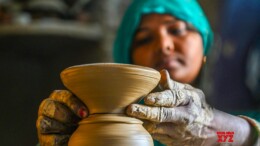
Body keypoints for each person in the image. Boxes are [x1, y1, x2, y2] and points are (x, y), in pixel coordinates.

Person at [36, 0, 260, 146]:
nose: (164, 45)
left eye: (177, 30)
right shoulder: (86, 125)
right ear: (127, 58)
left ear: (205, 47)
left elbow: (237, 137)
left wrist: (218, 129)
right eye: (144, 39)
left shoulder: (244, 114)